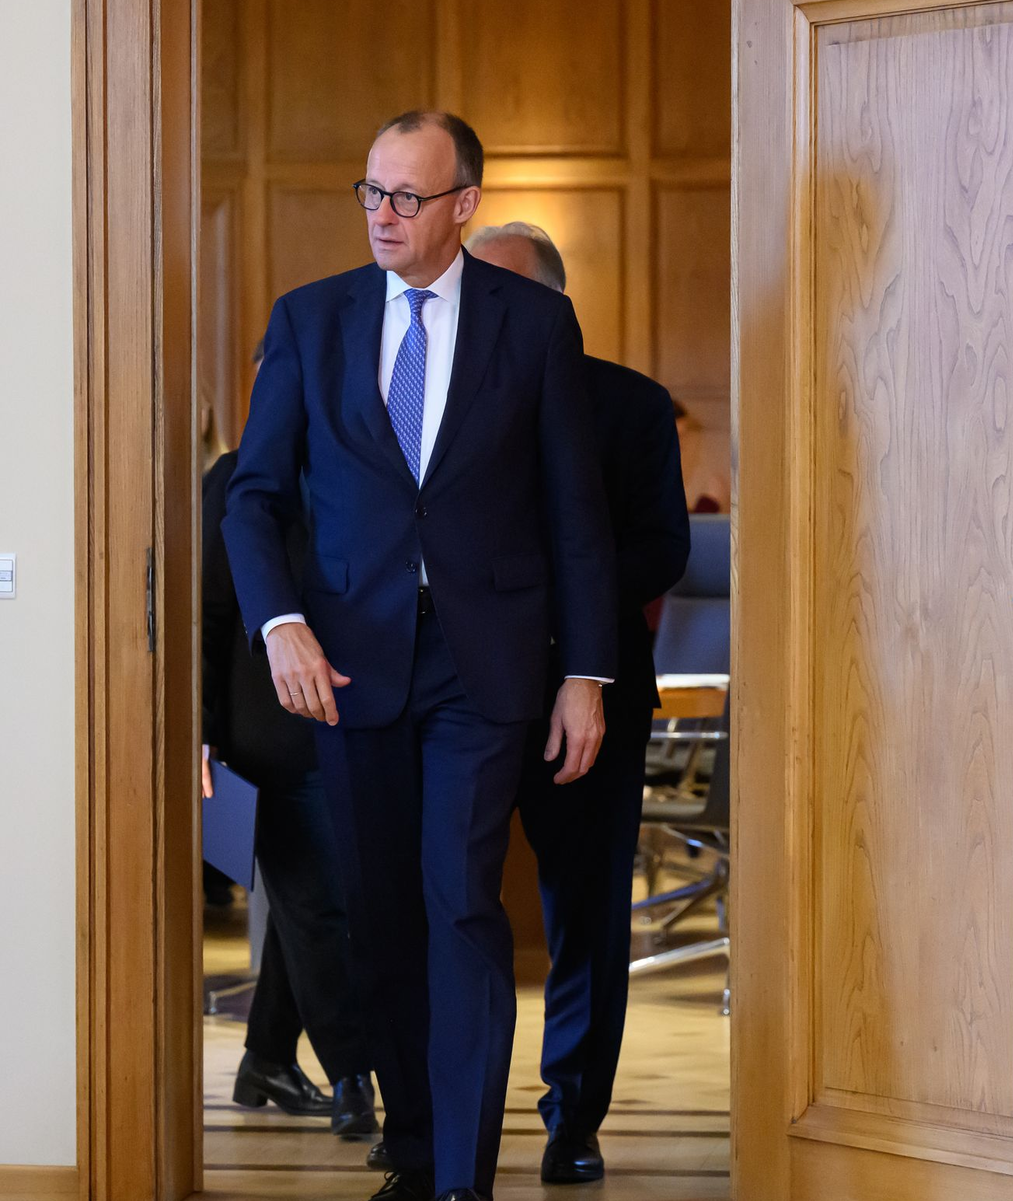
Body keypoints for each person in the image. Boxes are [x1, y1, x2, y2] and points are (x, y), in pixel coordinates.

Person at [221, 112, 617, 1201]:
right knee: (380, 913)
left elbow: (573, 513)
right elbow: (252, 501)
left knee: (461, 901)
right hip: (345, 670)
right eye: (371, 192)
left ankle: (462, 1177)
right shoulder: (311, 322)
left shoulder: (533, 327)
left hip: (483, 670)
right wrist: (279, 622)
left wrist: (585, 673)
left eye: (407, 196)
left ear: (462, 206)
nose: (382, 215)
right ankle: (414, 1138)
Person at [467, 222, 689, 1183]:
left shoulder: (632, 407)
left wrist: (562, 622)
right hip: (465, 692)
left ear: (553, 304)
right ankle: (450, 1122)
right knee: (451, 903)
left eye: (498, 290)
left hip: (592, 686)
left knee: (587, 908)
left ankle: (574, 1116)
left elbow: (662, 547)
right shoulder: (442, 402)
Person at [202, 436, 377, 1140]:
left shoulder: (368, 458)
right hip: (268, 735)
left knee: (315, 905)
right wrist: (203, 730)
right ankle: (353, 1076)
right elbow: (210, 615)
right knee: (319, 906)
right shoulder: (237, 475)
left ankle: (267, 1056)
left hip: (364, 726)